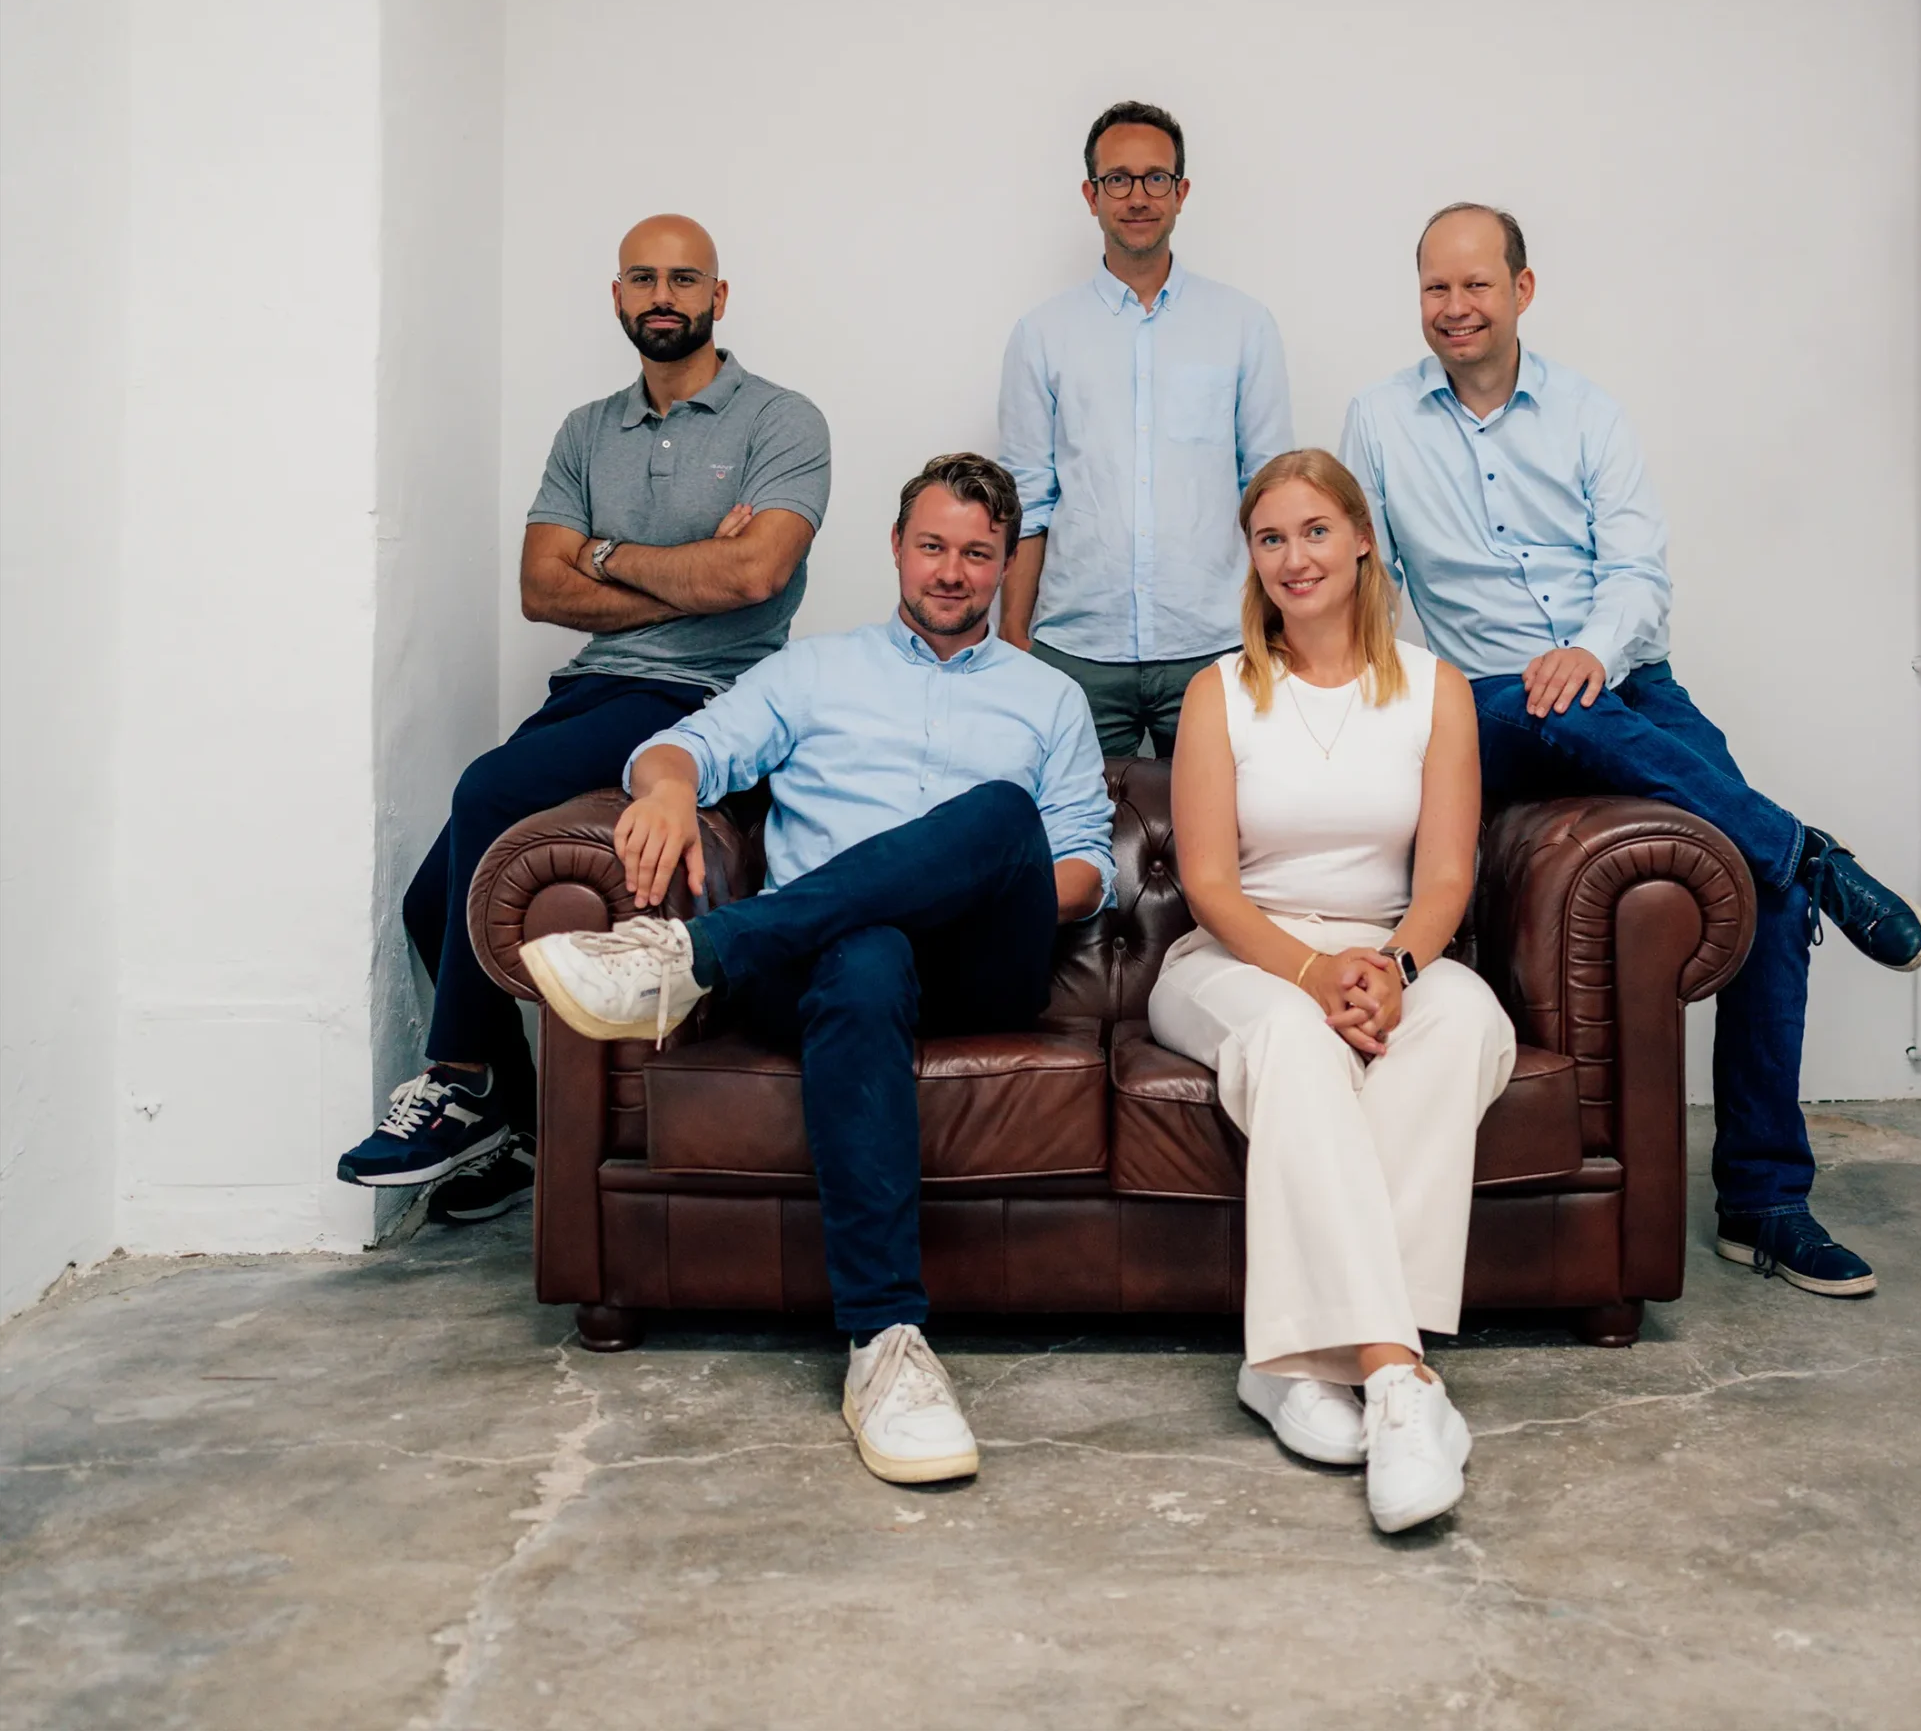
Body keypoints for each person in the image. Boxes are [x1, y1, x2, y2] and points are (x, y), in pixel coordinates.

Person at [1340, 203, 1921, 1301]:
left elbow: (1638, 575)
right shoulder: (1375, 422)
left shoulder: (1589, 415)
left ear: (1523, 289)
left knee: (1761, 887)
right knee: (1544, 705)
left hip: (1622, 682)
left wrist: (1590, 654)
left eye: (1476, 286)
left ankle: (1763, 1202)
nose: (1455, 309)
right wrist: (1423, 696)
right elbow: (1378, 585)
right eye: (1435, 289)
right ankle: (1816, 853)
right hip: (1490, 707)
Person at [517, 455, 1115, 1487]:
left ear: (1004, 565)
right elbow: (684, 752)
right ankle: (885, 1345)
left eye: (977, 554)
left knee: (998, 816)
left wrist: (971, 880)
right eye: (932, 546)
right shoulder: (813, 672)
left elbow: (1088, 869)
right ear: (895, 548)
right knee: (866, 948)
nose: (952, 572)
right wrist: (661, 794)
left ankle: (695, 958)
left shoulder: (1048, 698)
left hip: (982, 965)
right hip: (833, 970)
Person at [335, 215, 830, 1222]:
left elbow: (759, 573)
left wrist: (603, 555)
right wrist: (692, 572)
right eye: (643, 277)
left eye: (684, 279)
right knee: (433, 903)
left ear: (718, 298)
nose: (663, 295)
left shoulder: (782, 421)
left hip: (703, 701)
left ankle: (463, 1077)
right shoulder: (584, 431)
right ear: (616, 296)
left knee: (486, 788)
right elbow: (537, 590)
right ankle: (512, 1135)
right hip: (590, 691)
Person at [1149, 450, 1517, 1535]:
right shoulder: (1219, 692)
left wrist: (1395, 973)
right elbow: (1209, 882)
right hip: (1240, 962)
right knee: (1299, 1047)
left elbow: (1447, 875)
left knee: (1467, 1024)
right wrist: (1311, 976)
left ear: (1361, 539)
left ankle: (1291, 1363)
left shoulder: (1434, 687)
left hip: (1388, 953)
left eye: (1315, 532)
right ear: (1252, 561)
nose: (1294, 558)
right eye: (1270, 539)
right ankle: (1398, 1376)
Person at [996, 99, 1294, 754]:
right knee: (1068, 840)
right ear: (1090, 195)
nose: (1138, 196)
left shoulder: (1243, 326)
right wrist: (1014, 637)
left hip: (1214, 643)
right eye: (1118, 179)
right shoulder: (1042, 335)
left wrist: (1278, 632)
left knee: (1224, 841)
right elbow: (1027, 499)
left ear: (1182, 193)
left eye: (1156, 178)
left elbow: (1271, 491)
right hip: (1076, 649)